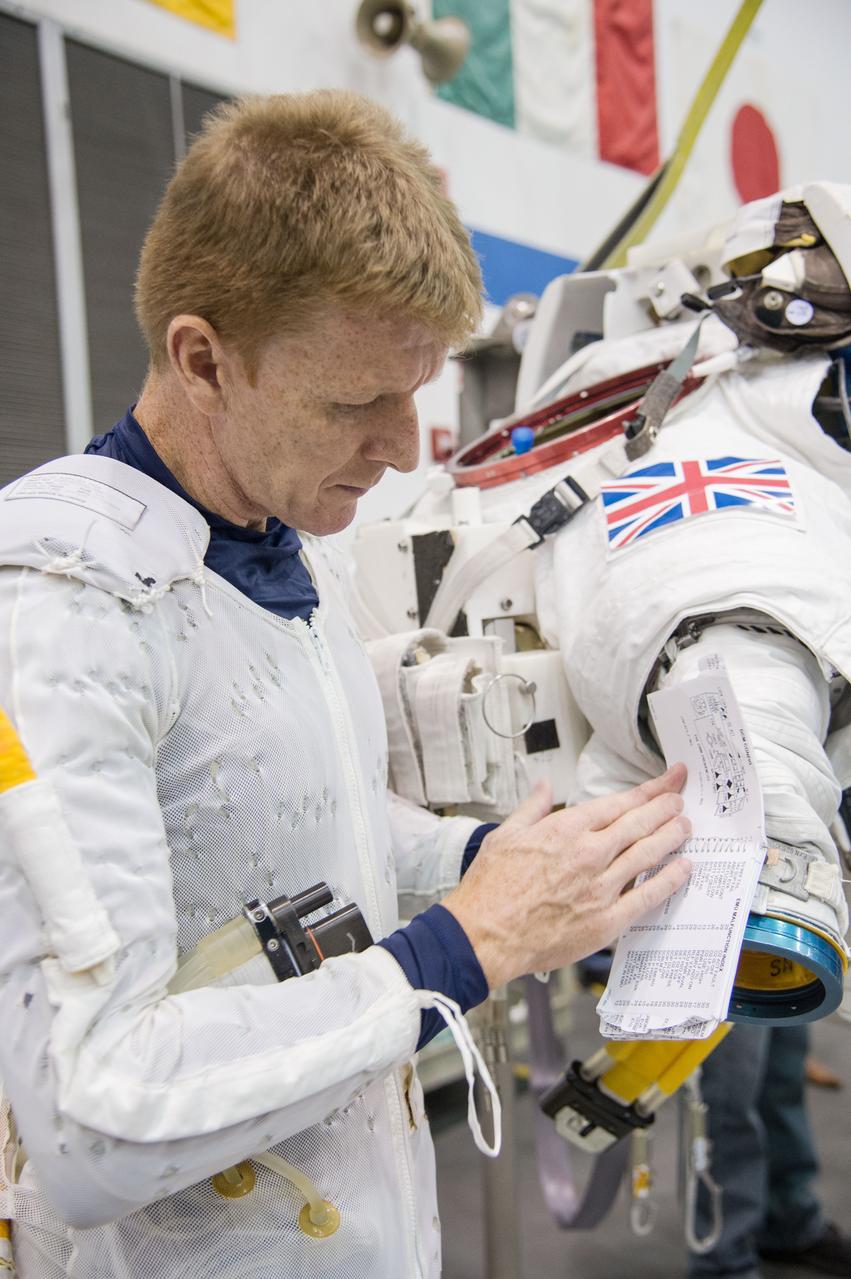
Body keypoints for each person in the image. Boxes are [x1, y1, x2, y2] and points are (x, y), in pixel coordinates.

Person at [0, 91, 692, 1278]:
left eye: (416, 389)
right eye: (354, 401)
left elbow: (289, 825)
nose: (403, 444)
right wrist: (457, 950)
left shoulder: (288, 552)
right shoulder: (64, 610)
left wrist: (495, 869)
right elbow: (91, 1115)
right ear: (202, 358)